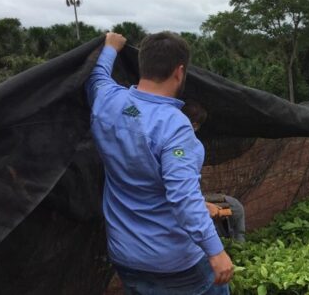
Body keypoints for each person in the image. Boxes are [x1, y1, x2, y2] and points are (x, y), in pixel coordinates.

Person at [86, 32, 233, 295]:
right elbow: (183, 197)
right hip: (175, 263)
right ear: (179, 72)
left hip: (125, 254)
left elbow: (97, 77)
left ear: (143, 65)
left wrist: (110, 47)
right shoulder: (175, 127)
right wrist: (215, 250)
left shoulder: (108, 100)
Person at [182, 100, 247, 243]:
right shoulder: (182, 147)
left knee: (235, 207)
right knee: (227, 210)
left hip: (194, 197)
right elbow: (181, 192)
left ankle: (239, 246)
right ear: (193, 125)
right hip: (186, 200)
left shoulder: (194, 145)